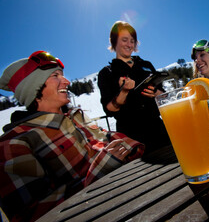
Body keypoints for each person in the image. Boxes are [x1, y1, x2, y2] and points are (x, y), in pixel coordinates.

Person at [0, 51, 145, 221]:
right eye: (55, 76)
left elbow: (115, 140)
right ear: (32, 87)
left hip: (131, 195)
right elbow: (31, 215)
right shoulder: (14, 142)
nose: (67, 81)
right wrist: (101, 172)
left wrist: (122, 151)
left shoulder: (75, 117)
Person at [98, 21, 171, 153]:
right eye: (124, 40)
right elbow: (109, 109)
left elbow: (163, 95)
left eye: (132, 41)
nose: (129, 44)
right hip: (131, 136)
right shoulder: (107, 72)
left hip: (158, 129)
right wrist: (124, 91)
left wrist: (156, 92)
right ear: (114, 42)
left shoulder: (146, 65)